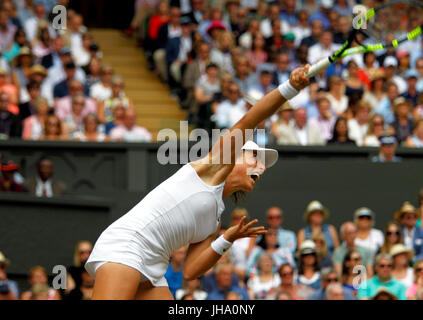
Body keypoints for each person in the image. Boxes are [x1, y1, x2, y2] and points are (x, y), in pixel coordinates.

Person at [85, 65, 312, 299]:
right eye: (255, 156)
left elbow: (192, 271)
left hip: (154, 265)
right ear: (235, 155)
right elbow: (251, 118)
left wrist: (227, 238)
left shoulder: (214, 221)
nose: (261, 167)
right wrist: (290, 88)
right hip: (127, 245)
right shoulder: (212, 165)